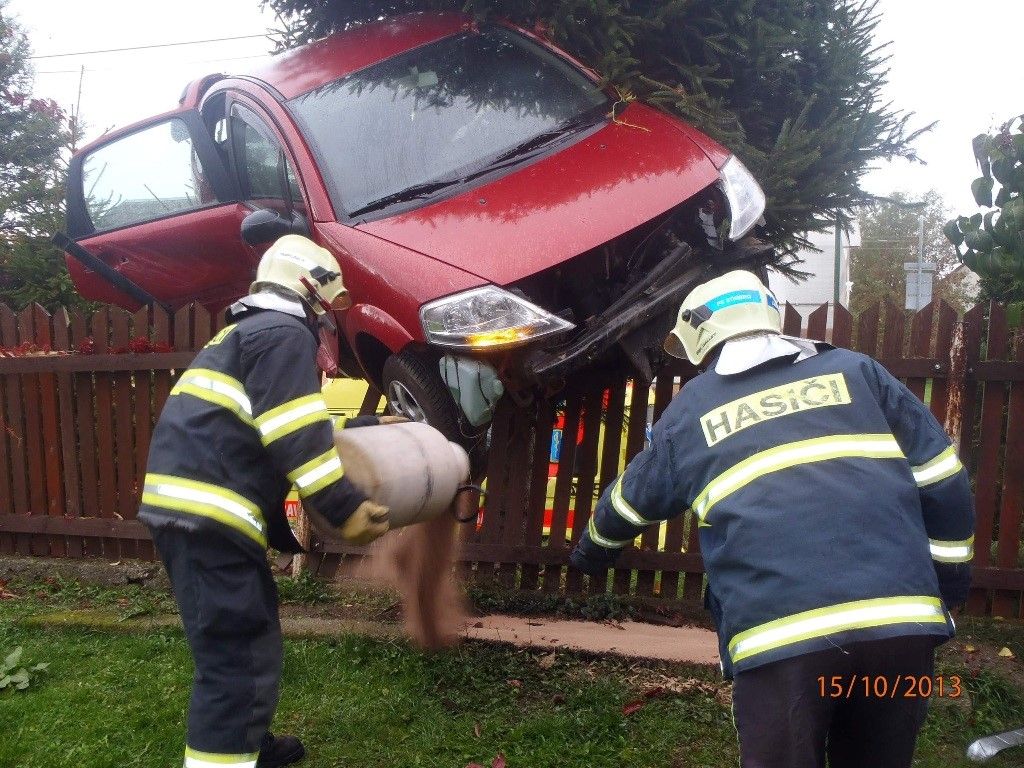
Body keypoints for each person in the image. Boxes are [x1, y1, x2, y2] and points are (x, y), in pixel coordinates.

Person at [570, 269, 974, 768]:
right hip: (902, 637)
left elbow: (629, 503)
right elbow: (944, 477)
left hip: (784, 647)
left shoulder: (693, 411)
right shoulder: (857, 372)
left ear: (699, 336)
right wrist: (948, 582)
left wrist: (591, 552)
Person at [139, 235, 397, 768]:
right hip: (209, 517)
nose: (328, 335)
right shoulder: (283, 333)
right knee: (236, 659)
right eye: (327, 318)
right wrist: (343, 508)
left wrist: (369, 426)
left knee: (243, 638)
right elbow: (292, 430)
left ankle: (248, 746)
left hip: (201, 516)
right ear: (310, 294)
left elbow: (281, 421)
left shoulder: (252, 333)